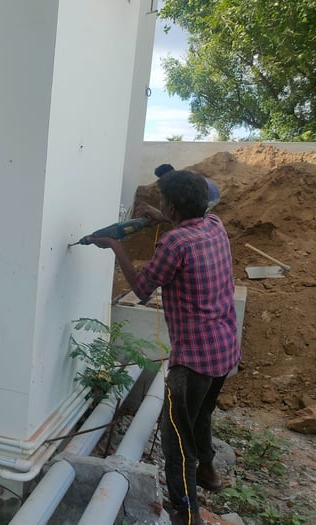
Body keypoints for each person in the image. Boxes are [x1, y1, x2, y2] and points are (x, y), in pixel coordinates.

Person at [92, 170, 240, 525]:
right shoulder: (215, 225)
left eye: (162, 204)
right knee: (201, 415)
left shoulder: (174, 243)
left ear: (172, 205)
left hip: (192, 362)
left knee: (175, 442)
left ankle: (187, 515)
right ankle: (209, 472)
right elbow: (185, 227)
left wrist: (116, 247)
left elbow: (143, 288)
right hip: (225, 350)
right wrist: (164, 218)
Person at [155, 163, 220, 213]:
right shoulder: (183, 175)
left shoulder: (175, 183)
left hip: (211, 200)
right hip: (216, 194)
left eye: (160, 177)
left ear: (164, 176)